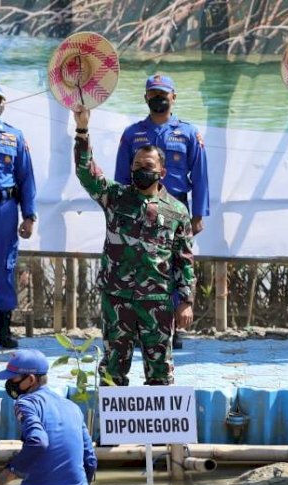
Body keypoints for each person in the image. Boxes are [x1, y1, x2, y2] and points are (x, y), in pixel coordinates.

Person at [73, 104, 195, 386]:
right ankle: (110, 427)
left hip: (157, 302)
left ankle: (161, 429)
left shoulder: (177, 211)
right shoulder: (115, 197)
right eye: (137, 166)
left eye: (148, 166)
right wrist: (82, 130)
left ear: (161, 171)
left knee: (160, 371)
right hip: (118, 298)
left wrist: (186, 301)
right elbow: (86, 173)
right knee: (113, 369)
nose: (141, 170)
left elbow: (184, 260)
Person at [114, 74, 208, 349]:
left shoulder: (188, 133)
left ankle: (173, 327)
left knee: (176, 265)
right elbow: (121, 177)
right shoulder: (133, 134)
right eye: (153, 94)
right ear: (146, 98)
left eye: (163, 94)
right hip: (139, 207)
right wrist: (122, 211)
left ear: (173, 97)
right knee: (142, 265)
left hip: (177, 208)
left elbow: (200, 176)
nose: (158, 98)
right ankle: (140, 325)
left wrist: (198, 214)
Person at [0, 349, 96, 485]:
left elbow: (38, 442)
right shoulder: (72, 407)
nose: (9, 382)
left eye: (12, 378)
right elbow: (90, 459)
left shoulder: (26, 403)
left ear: (30, 379)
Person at [0, 80, 37, 348]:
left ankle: (3, 329)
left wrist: (29, 215)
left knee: (4, 266)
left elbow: (26, 178)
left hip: (4, 210)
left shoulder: (14, 136)